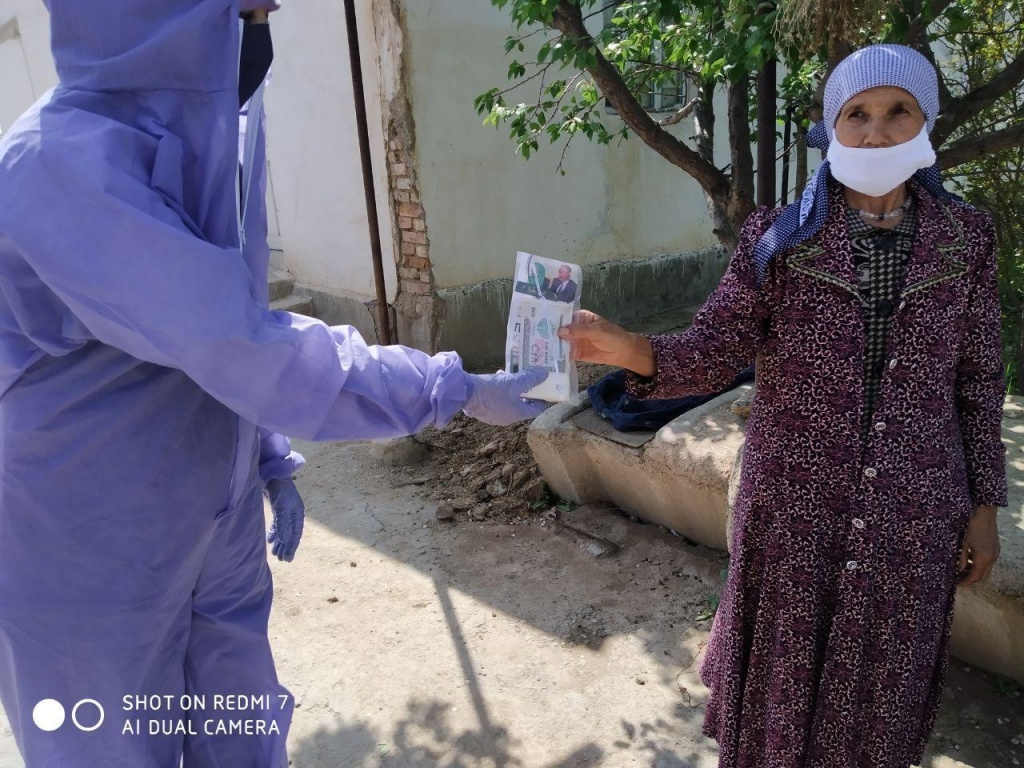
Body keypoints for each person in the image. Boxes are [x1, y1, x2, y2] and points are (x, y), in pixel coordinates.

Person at [0, 2, 545, 766]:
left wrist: (266, 459)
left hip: (209, 526)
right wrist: (448, 387)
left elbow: (217, 333)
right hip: (91, 554)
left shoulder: (210, 147)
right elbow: (242, 346)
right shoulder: (56, 169)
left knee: (242, 732)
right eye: (247, 10)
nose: (266, 21)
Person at [559, 44, 1006, 768]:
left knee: (880, 696)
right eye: (856, 115)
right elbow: (712, 349)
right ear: (832, 128)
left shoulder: (967, 240)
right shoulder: (780, 241)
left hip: (914, 514)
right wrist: (630, 349)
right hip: (794, 510)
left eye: (898, 113)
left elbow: (980, 379)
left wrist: (984, 509)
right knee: (781, 687)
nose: (876, 131)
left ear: (927, 124)